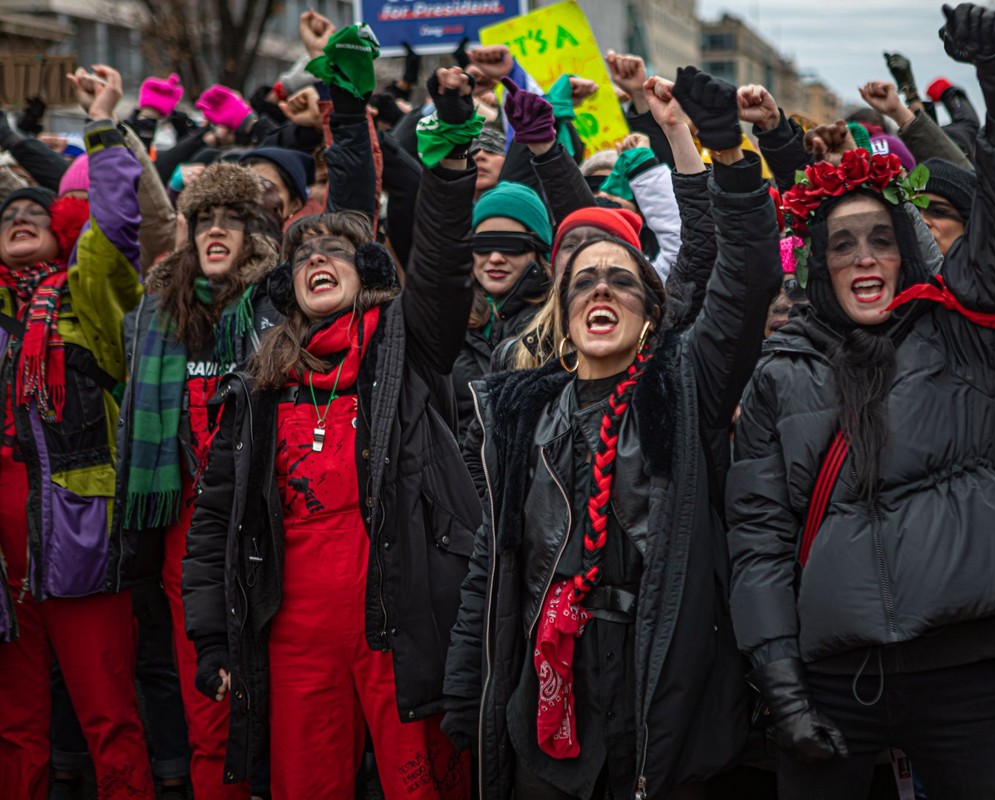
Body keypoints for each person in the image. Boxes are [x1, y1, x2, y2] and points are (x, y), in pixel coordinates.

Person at [726, 6, 995, 798]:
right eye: (841, 244)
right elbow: (760, 539)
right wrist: (778, 678)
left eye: (881, 238)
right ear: (818, 268)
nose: (863, 257)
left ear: (908, 248)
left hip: (963, 674)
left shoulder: (960, 331)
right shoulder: (779, 375)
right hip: (829, 678)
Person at [440, 66, 779, 800]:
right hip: (549, 690)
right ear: (560, 313)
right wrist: (471, 690)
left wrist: (714, 148)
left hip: (662, 682)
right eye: (583, 280)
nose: (600, 288)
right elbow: (491, 565)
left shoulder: (681, 385)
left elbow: (742, 272)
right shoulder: (517, 407)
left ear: (649, 313)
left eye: (622, 279)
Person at [181, 63, 480, 799]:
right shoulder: (258, 384)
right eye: (304, 254)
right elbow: (216, 516)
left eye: (336, 251)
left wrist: (445, 168)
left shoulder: (406, 346)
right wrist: (214, 636)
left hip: (398, 628)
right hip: (294, 641)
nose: (318, 257)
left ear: (367, 275)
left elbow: (440, 270)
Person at [0, 64, 155, 799]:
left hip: (76, 526)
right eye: (6, 217)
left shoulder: (85, 296)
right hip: (2, 554)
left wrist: (103, 124)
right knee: (14, 716)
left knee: (106, 712)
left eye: (34, 213)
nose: (19, 220)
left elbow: (116, 226)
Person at [112, 161, 282, 799]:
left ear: (252, 231)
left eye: (230, 219)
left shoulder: (277, 306)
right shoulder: (153, 318)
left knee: (282, 713)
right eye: (203, 218)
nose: (216, 230)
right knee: (210, 710)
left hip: (271, 529)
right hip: (190, 539)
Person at [450, 179, 552, 443]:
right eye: (483, 244)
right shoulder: (446, 316)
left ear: (538, 250)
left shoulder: (557, 320)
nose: (495, 257)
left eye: (510, 245)